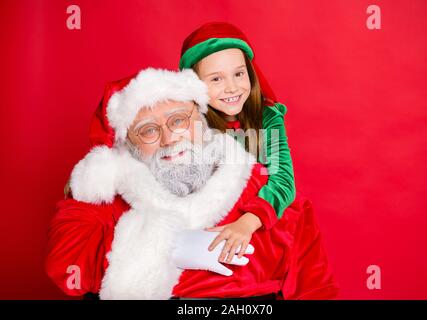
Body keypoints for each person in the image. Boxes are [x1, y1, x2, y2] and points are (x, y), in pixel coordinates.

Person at [45, 67, 338, 299]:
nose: (170, 138)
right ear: (126, 145)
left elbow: (315, 290)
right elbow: (65, 265)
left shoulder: (266, 192)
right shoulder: (102, 197)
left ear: (200, 119)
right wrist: (171, 246)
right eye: (148, 130)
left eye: (178, 120)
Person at [179, 22, 297, 260]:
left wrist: (247, 223)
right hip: (208, 224)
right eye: (216, 79)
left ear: (249, 72)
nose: (232, 87)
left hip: (257, 222)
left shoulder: (267, 117)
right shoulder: (187, 122)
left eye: (238, 73)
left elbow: (283, 178)